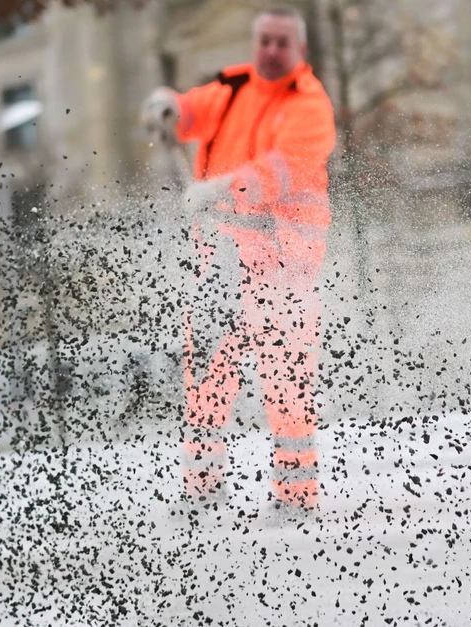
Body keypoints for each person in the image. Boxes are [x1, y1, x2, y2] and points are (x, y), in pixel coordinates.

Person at [140, 5, 336, 520]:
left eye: (282, 42)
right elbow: (192, 110)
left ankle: (296, 497)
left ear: (300, 50)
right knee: (205, 379)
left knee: (287, 383)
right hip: (222, 262)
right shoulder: (233, 89)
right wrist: (169, 107)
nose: (271, 50)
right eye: (264, 40)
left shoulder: (309, 104)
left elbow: (283, 169)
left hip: (283, 268)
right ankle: (201, 490)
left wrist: (224, 188)